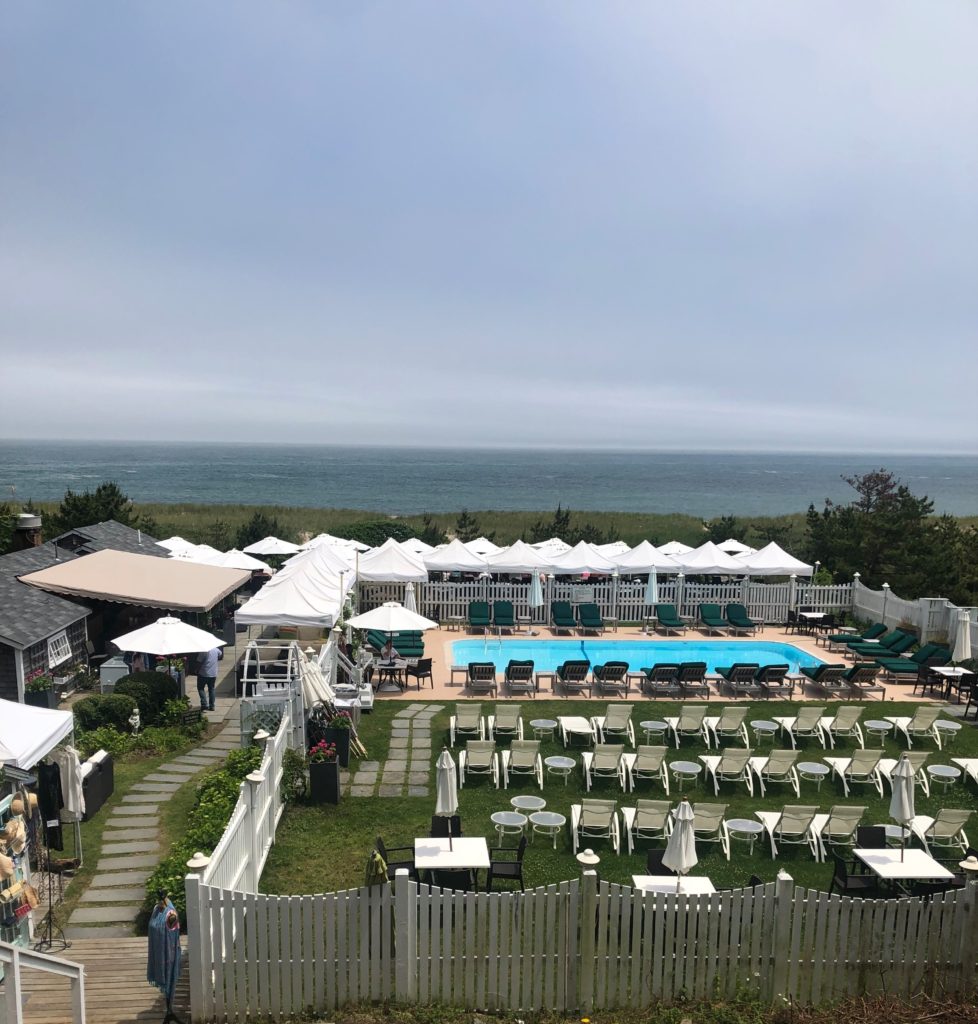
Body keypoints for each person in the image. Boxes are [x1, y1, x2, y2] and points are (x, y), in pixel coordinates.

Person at [196, 646, 223, 711]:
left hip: (203, 673)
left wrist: (196, 670)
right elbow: (220, 654)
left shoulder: (203, 651)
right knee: (211, 689)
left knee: (200, 688)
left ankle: (204, 704)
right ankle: (212, 706)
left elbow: (199, 662)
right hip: (213, 673)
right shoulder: (216, 649)